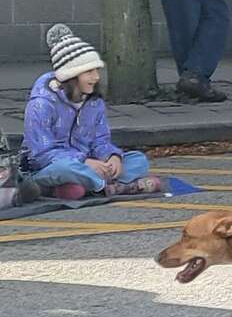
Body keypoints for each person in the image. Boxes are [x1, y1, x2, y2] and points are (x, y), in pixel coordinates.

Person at [22, 25, 162, 199]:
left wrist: (112, 157)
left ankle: (77, 188)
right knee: (67, 170)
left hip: (90, 165)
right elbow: (41, 154)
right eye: (89, 71)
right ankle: (113, 187)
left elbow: (101, 140)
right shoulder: (41, 105)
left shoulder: (94, 102)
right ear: (71, 75)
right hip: (50, 167)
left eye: (97, 70)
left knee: (138, 160)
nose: (96, 77)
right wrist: (84, 162)